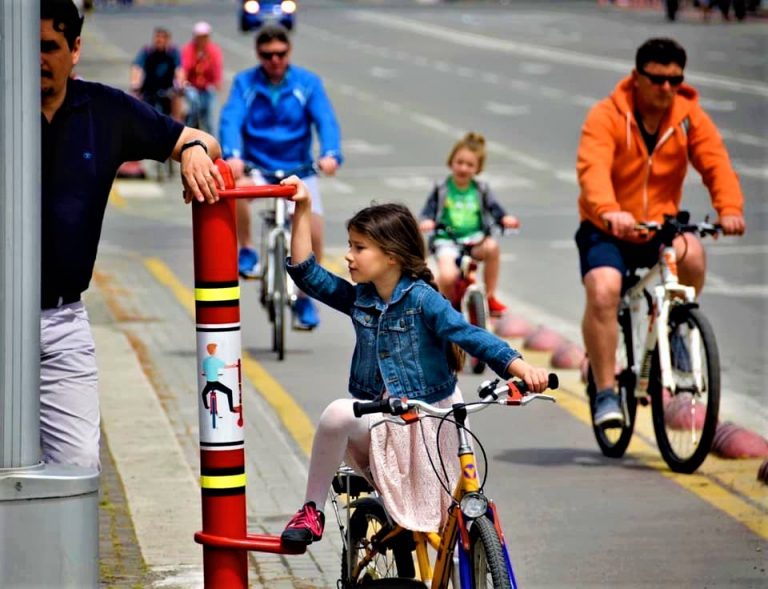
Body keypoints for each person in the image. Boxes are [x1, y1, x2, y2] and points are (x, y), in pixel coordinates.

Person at [278, 176, 550, 545]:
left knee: (453, 533)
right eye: (350, 246)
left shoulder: (424, 300)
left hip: (433, 421)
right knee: (337, 414)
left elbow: (470, 335)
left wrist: (521, 368)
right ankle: (311, 510)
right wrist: (303, 208)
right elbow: (306, 274)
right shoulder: (361, 298)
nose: (348, 256)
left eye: (359, 248)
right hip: (384, 416)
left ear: (391, 256)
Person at [40, 0, 224, 469]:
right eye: (27, 48)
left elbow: (196, 139)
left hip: (60, 324)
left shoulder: (104, 110)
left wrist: (195, 154)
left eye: (49, 47)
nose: (37, 60)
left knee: (77, 467)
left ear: (75, 48)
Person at [575, 37, 745, 426]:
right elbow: (593, 168)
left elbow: (716, 163)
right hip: (608, 227)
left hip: (659, 228)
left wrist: (729, 209)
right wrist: (609, 210)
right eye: (657, 79)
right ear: (637, 77)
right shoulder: (607, 116)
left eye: (675, 80)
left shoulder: (689, 117)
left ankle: (677, 326)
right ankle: (604, 391)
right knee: (603, 291)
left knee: (694, 253)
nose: (667, 88)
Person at [219, 24, 342, 330]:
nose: (274, 60)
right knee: (237, 189)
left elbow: (326, 120)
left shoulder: (307, 83)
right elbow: (230, 119)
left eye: (280, 54)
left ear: (289, 52)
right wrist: (233, 154)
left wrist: (330, 154)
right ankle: (246, 248)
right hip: (258, 168)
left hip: (297, 171)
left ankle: (304, 297)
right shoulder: (244, 83)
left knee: (314, 229)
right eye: (267, 55)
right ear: (258, 54)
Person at [418, 132, 519, 317]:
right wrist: (427, 222)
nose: (464, 168)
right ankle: (444, 311)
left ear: (478, 168)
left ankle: (489, 296)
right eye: (460, 162)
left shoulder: (481, 189)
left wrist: (505, 219)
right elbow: (427, 212)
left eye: (470, 165)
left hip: (474, 241)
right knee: (448, 276)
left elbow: (495, 209)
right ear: (451, 162)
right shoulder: (442, 188)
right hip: (446, 240)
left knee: (492, 247)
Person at [130, 26, 185, 121]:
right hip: (149, 90)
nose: (159, 40)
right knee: (136, 109)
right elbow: (137, 68)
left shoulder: (173, 53)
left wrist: (180, 84)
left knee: (178, 102)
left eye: (162, 38)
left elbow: (179, 70)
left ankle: (178, 128)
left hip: (168, 90)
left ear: (168, 40)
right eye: (157, 37)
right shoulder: (147, 52)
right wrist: (135, 83)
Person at [181, 21, 223, 134]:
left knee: (208, 114)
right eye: (200, 37)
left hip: (207, 86)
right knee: (194, 105)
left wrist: (217, 82)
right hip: (192, 85)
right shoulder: (189, 49)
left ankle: (212, 138)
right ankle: (188, 132)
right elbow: (185, 67)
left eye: (205, 37)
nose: (202, 40)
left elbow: (216, 67)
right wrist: (183, 83)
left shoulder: (213, 50)